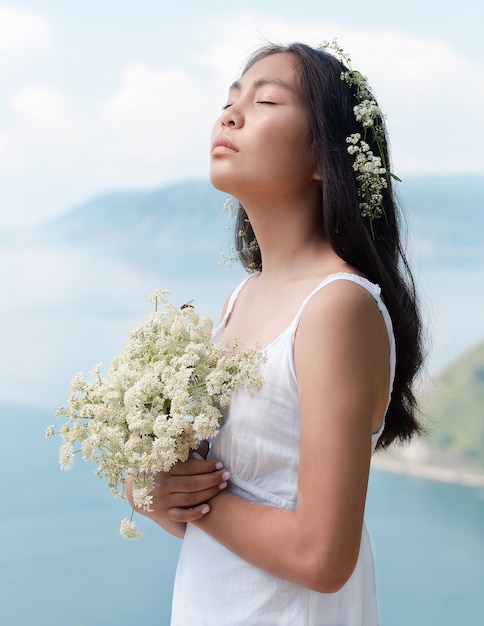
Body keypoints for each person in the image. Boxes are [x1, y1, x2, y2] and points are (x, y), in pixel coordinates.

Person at [128, 41, 424, 625]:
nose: (230, 114)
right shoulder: (243, 297)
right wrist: (157, 492)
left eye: (266, 100)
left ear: (325, 156)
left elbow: (321, 556)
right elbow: (224, 516)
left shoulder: (337, 306)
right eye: (230, 99)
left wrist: (202, 500)